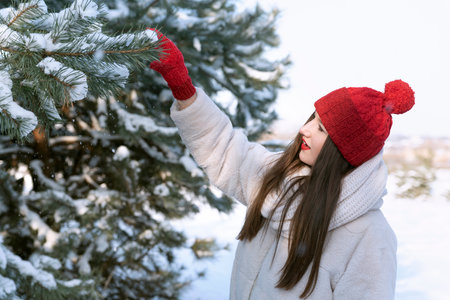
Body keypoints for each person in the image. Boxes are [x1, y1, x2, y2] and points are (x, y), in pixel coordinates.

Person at [148, 29, 415, 299]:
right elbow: (224, 147)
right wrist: (182, 86)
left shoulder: (369, 237)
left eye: (321, 129)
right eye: (312, 118)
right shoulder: (279, 179)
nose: (304, 129)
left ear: (343, 151)